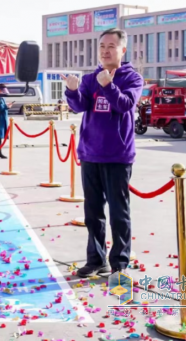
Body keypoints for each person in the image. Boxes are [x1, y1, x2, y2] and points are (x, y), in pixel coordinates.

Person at [61, 28, 143, 278]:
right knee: (93, 213)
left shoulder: (132, 78)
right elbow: (79, 107)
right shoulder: (90, 78)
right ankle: (95, 260)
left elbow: (125, 104)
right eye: (102, 46)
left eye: (111, 46)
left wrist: (108, 86)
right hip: (90, 153)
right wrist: (73, 91)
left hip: (117, 155)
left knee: (119, 212)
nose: (106, 51)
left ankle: (119, 262)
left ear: (122, 50)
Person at [0, 83, 12, 159]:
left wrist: (7, 106)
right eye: (2, 90)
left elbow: (3, 107)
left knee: (0, 137)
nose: (3, 92)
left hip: (3, 119)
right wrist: (6, 106)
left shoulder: (1, 97)